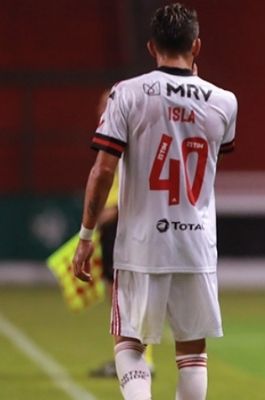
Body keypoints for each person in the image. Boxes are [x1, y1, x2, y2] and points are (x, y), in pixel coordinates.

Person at [72, 3, 237, 399]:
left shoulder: (127, 93)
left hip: (143, 242)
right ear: (196, 45)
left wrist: (86, 235)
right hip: (195, 241)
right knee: (193, 350)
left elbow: (103, 171)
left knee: (129, 340)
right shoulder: (224, 101)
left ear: (151, 46)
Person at [89, 90, 154, 378]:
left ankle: (142, 361)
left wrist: (112, 210)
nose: (101, 107)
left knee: (129, 297)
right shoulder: (115, 137)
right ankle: (127, 359)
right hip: (112, 225)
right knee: (118, 298)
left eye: (107, 103)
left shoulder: (132, 139)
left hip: (125, 225)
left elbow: (141, 186)